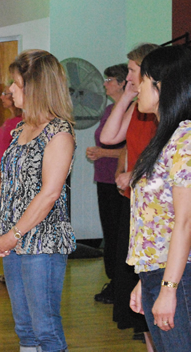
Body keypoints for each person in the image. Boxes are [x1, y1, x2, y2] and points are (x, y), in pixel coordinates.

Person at [0, 49, 76, 352]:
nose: (10, 91)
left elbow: (49, 194)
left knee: (45, 328)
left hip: (42, 243)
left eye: (17, 84)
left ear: (36, 87)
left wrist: (14, 235)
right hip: (14, 239)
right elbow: (6, 182)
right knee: (24, 327)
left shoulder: (59, 133)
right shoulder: (20, 129)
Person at [128, 45, 191, 352]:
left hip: (181, 275)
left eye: (143, 78)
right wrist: (145, 278)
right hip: (159, 272)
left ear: (162, 85)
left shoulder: (186, 137)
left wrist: (169, 288)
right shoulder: (166, 137)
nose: (136, 86)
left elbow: (185, 221)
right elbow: (155, 220)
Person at [100, 43, 159, 344]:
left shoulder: (161, 111)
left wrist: (133, 173)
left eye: (133, 70)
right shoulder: (138, 106)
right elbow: (109, 137)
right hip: (133, 203)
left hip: (153, 208)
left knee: (148, 286)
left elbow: (164, 159)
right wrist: (126, 96)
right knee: (134, 284)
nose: (128, 77)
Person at [86, 64, 128, 304]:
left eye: (110, 79)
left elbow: (132, 148)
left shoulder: (132, 110)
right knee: (110, 233)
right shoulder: (110, 110)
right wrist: (99, 153)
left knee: (118, 234)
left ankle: (120, 284)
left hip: (121, 180)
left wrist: (103, 153)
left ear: (123, 83)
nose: (105, 83)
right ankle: (113, 281)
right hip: (103, 178)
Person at [0, 84, 23, 283]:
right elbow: (1, 148)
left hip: (11, 176)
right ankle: (6, 262)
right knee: (3, 217)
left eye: (6, 94)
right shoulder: (9, 121)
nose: (2, 96)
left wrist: (4, 172)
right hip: (2, 173)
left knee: (12, 218)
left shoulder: (21, 123)